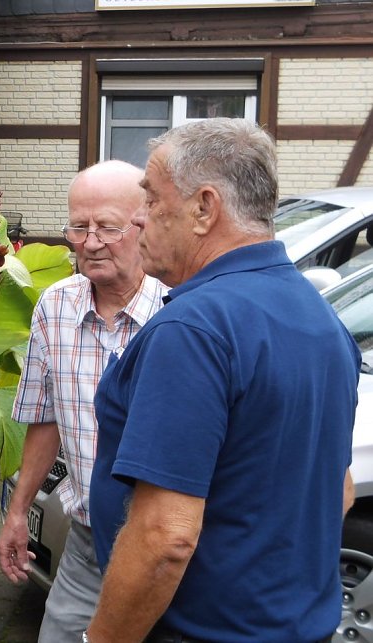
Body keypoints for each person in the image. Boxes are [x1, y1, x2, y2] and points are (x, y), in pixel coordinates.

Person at [86, 118, 360, 643]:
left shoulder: (194, 329)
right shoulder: (321, 318)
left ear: (204, 208)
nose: (139, 219)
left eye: (151, 198)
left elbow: (166, 537)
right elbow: (337, 487)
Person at [0, 161, 167, 641]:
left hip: (165, 542)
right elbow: (45, 419)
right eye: (79, 226)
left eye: (107, 227)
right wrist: (18, 513)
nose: (90, 242)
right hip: (88, 541)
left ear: (143, 223)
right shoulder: (55, 306)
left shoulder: (178, 307)